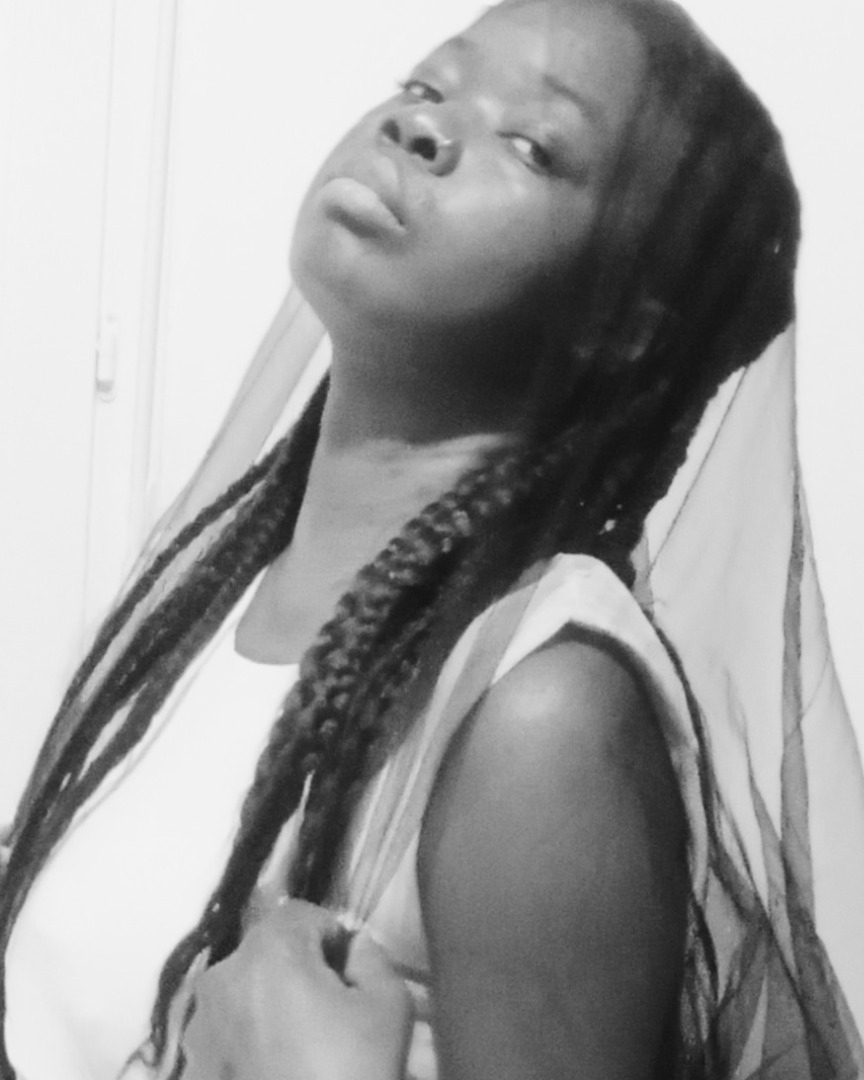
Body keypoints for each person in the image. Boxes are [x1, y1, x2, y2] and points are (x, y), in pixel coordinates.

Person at [1, 0, 863, 1078]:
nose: (421, 128)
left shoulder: (540, 710)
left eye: (532, 143)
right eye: (425, 86)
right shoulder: (204, 589)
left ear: (623, 325)